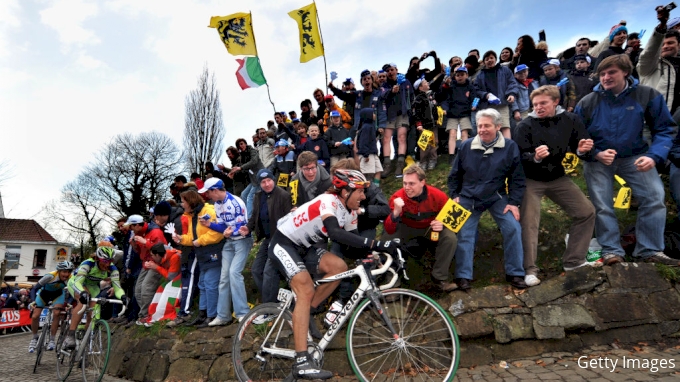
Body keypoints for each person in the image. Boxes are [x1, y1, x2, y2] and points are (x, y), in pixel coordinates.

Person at [268, 169, 404, 379]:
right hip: (284, 243)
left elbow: (351, 243)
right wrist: (376, 243)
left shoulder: (349, 213)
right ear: (344, 192)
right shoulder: (328, 201)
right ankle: (301, 361)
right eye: (359, 192)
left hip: (306, 248)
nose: (363, 197)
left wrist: (376, 252)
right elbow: (334, 232)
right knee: (304, 288)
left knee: (340, 267)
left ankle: (305, 313)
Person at [576, 54, 678, 266]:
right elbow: (577, 135)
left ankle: (649, 250)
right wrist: (595, 153)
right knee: (603, 204)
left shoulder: (647, 95)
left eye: (611, 72)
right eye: (602, 74)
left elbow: (665, 128)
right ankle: (612, 251)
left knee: (654, 197)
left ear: (625, 72)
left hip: (636, 155)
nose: (606, 77)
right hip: (599, 158)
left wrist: (654, 156)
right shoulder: (588, 101)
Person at [515, 85, 597, 287]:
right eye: (535, 105)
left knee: (586, 212)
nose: (538, 108)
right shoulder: (524, 125)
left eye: (543, 103)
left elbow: (581, 145)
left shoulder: (571, 119)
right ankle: (529, 270)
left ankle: (574, 261)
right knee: (530, 221)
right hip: (531, 179)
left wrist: (582, 150)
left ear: (555, 102)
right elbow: (517, 157)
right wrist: (533, 156)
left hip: (557, 177)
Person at [447, 108, 527, 290]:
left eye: (487, 126)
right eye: (480, 125)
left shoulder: (510, 146)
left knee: (513, 227)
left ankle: (515, 272)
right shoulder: (466, 145)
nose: (482, 129)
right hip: (467, 197)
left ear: (498, 126)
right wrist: (455, 196)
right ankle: (463, 276)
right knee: (464, 232)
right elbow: (454, 176)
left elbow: (517, 178)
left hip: (496, 196)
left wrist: (514, 203)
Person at [382, 164, 459, 292]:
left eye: (411, 184)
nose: (407, 188)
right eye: (404, 183)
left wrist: (443, 224)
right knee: (386, 240)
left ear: (422, 182)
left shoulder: (438, 196)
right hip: (406, 227)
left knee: (450, 238)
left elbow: (454, 221)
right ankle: (393, 284)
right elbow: (389, 229)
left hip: (429, 228)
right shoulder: (397, 198)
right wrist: (395, 213)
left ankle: (439, 278)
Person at [197, 178, 253, 326]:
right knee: (223, 278)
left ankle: (243, 313)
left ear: (215, 190)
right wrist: (210, 224)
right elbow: (223, 228)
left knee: (234, 273)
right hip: (229, 243)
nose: (207, 195)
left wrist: (231, 232)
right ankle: (223, 316)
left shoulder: (236, 202)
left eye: (208, 192)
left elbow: (242, 227)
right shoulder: (217, 204)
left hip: (242, 240)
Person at [172, 190, 226, 327]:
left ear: (191, 201)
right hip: (202, 255)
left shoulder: (210, 211)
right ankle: (202, 314)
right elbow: (191, 237)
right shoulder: (192, 216)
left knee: (210, 284)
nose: (182, 204)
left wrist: (200, 241)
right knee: (202, 284)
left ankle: (211, 315)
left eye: (184, 202)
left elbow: (218, 233)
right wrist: (180, 239)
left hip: (214, 252)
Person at [243, 169, 292, 304]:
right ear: (259, 184)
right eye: (263, 182)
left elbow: (289, 219)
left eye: (269, 180)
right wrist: (248, 227)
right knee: (256, 270)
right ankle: (273, 300)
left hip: (281, 239)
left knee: (269, 272)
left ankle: (269, 306)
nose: (267, 184)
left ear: (273, 180)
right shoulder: (258, 196)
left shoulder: (283, 195)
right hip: (267, 239)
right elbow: (254, 216)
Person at [63, 247, 128, 349]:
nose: (107, 264)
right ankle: (70, 335)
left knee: (93, 312)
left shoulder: (113, 269)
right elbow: (78, 282)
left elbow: (117, 288)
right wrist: (82, 292)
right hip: (77, 283)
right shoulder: (88, 264)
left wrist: (123, 296)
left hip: (93, 286)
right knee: (83, 302)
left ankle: (86, 340)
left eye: (110, 261)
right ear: (97, 258)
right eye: (104, 261)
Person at [126, 214, 167, 325]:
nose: (130, 229)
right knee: (138, 289)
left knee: (146, 288)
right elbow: (140, 252)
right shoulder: (139, 233)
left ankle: (149, 316)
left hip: (156, 263)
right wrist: (134, 245)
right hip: (146, 263)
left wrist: (145, 242)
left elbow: (161, 250)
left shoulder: (155, 231)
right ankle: (145, 314)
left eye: (131, 226)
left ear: (138, 225)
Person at [637, 6, 680, 114]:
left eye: (670, 43)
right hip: (653, 123)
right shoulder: (650, 64)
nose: (665, 46)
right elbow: (649, 53)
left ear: (678, 45)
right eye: (662, 44)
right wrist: (662, 26)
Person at [28, 261, 75, 352]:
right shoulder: (50, 276)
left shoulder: (71, 279)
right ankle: (34, 337)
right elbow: (34, 288)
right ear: (59, 271)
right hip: (43, 295)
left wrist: (69, 303)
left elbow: (73, 292)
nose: (66, 274)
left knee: (56, 313)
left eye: (68, 272)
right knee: (35, 316)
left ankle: (52, 340)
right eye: (64, 271)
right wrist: (33, 301)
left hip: (58, 295)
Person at [474, 50, 519, 138]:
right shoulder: (480, 75)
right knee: (490, 127)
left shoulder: (505, 70)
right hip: (487, 106)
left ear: (495, 59)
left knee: (505, 126)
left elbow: (512, 83)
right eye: (487, 59)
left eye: (491, 58)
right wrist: (486, 95)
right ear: (484, 62)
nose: (489, 60)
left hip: (502, 103)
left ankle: (507, 148)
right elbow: (476, 90)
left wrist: (511, 94)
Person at [381, 62, 415, 178]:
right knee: (386, 139)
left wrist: (410, 110)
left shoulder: (405, 81)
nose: (390, 72)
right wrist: (391, 91)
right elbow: (383, 97)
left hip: (403, 113)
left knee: (401, 137)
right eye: (387, 71)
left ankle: (400, 164)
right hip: (389, 115)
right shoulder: (384, 85)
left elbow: (411, 95)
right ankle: (387, 165)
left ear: (396, 69)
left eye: (391, 70)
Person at [443, 66, 477, 162]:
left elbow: (475, 97)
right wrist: (445, 108)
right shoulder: (451, 85)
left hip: (465, 113)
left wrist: (474, 106)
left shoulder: (470, 86)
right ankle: (451, 155)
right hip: (452, 114)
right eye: (457, 75)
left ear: (467, 75)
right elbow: (446, 98)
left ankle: (465, 154)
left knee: (464, 134)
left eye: (462, 75)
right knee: (452, 134)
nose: (460, 77)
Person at [145, 243, 181, 323]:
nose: (152, 257)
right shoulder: (163, 258)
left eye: (152, 255)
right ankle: (154, 312)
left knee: (167, 290)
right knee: (161, 288)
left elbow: (171, 277)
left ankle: (169, 312)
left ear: (157, 255)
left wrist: (157, 267)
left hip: (180, 280)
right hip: (176, 279)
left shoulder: (174, 257)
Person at [230, 138, 264, 219]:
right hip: (253, 180)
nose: (241, 146)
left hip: (260, 176)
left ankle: (249, 219)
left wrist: (240, 168)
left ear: (245, 143)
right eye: (239, 145)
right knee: (243, 194)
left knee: (250, 197)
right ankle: (245, 215)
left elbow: (254, 161)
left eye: (242, 144)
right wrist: (233, 173)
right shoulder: (242, 156)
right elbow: (243, 169)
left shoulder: (252, 150)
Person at [510, 64, 539, 135]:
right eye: (519, 73)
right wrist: (516, 111)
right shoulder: (513, 85)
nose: (522, 74)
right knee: (523, 129)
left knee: (537, 128)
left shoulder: (534, 82)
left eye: (524, 71)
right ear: (515, 75)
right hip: (522, 111)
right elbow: (513, 99)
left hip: (536, 108)